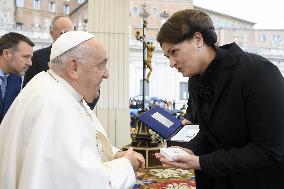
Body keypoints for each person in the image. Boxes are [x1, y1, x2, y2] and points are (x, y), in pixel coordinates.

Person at [155, 9, 284, 189]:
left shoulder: (259, 72)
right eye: (168, 56)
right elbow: (208, 132)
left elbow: (269, 150)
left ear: (198, 39)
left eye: (174, 52)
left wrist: (201, 162)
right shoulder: (195, 79)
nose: (172, 63)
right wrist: (190, 149)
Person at [0, 31, 145, 189]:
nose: (107, 74)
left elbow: (85, 143)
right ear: (73, 67)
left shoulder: (57, 89)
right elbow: (81, 182)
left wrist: (115, 154)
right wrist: (125, 165)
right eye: (100, 65)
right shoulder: (55, 105)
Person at [0, 32, 34, 123]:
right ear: (7, 53)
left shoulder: (16, 79)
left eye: (30, 58)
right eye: (26, 57)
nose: (30, 63)